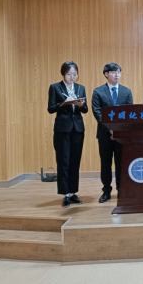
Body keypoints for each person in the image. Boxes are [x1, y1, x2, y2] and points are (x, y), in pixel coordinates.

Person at [47, 61, 88, 208]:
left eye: (75, 74)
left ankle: (72, 192)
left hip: (78, 129)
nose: (72, 77)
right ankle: (65, 194)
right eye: (69, 74)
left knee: (75, 161)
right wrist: (63, 103)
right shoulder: (55, 87)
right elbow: (50, 108)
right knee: (63, 161)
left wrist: (80, 105)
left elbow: (85, 110)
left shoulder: (80, 88)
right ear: (63, 74)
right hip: (62, 129)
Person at [92, 63, 133, 203]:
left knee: (121, 163)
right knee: (106, 163)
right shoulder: (98, 92)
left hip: (122, 135)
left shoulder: (126, 92)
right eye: (113, 72)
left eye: (119, 72)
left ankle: (121, 189)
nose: (117, 74)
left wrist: (119, 129)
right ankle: (106, 190)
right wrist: (109, 128)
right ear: (106, 74)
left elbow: (129, 113)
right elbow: (97, 112)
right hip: (105, 134)